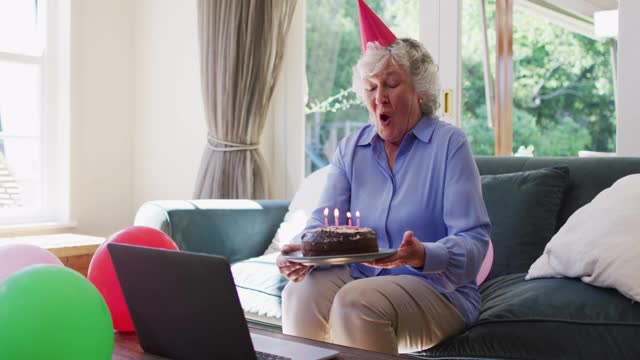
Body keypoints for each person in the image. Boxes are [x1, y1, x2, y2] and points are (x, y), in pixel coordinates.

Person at [276, 0, 491, 355]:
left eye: (391, 85)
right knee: (299, 292)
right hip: (363, 276)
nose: (380, 99)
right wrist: (302, 248)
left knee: (355, 302)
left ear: (420, 93)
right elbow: (322, 220)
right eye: (371, 88)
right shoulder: (351, 148)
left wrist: (423, 254)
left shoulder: (449, 145)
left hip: (439, 289)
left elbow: (473, 241)